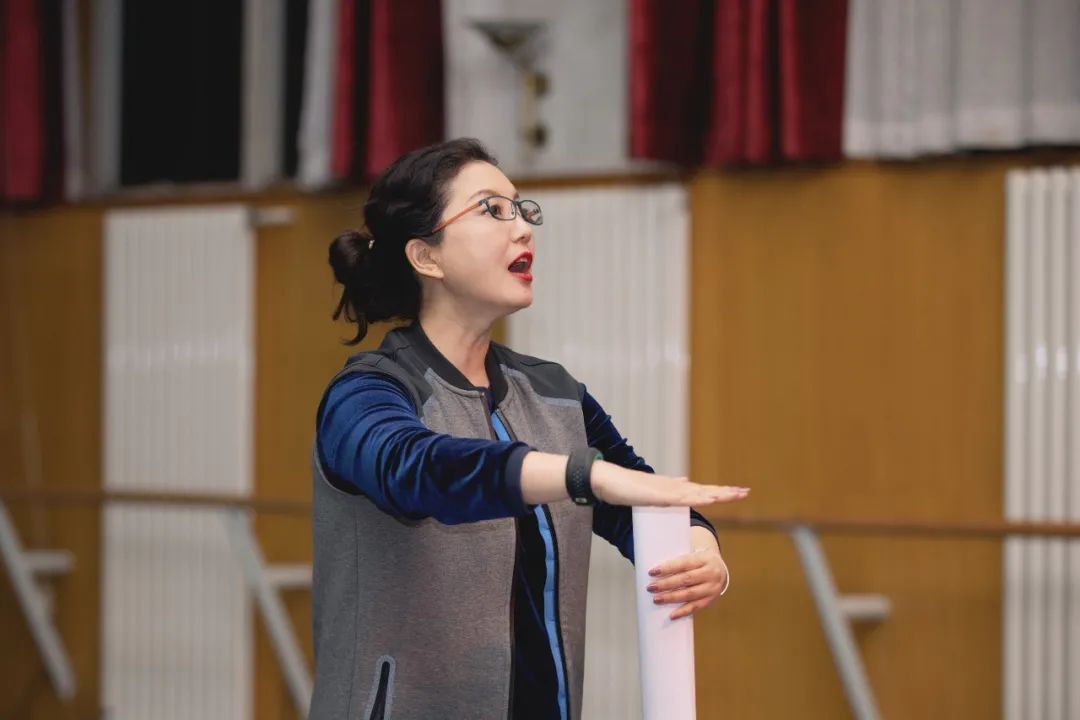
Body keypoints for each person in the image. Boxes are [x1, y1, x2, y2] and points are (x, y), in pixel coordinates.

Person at [310, 138, 749, 720]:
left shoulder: (555, 393)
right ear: (426, 257)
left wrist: (702, 551)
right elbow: (416, 470)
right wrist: (584, 476)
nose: (523, 229)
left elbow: (642, 499)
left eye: (522, 209)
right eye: (492, 210)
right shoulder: (366, 392)